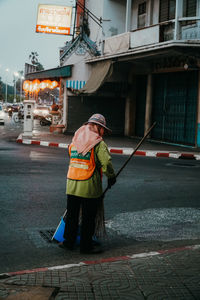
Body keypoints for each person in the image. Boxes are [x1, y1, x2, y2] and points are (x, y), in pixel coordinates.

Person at [60, 113, 116, 254]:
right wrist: (111, 176)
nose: (103, 132)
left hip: (72, 184)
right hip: (89, 186)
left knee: (72, 215)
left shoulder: (74, 141)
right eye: (102, 129)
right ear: (96, 127)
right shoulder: (98, 143)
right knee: (88, 217)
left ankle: (68, 242)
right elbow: (106, 162)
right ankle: (86, 246)